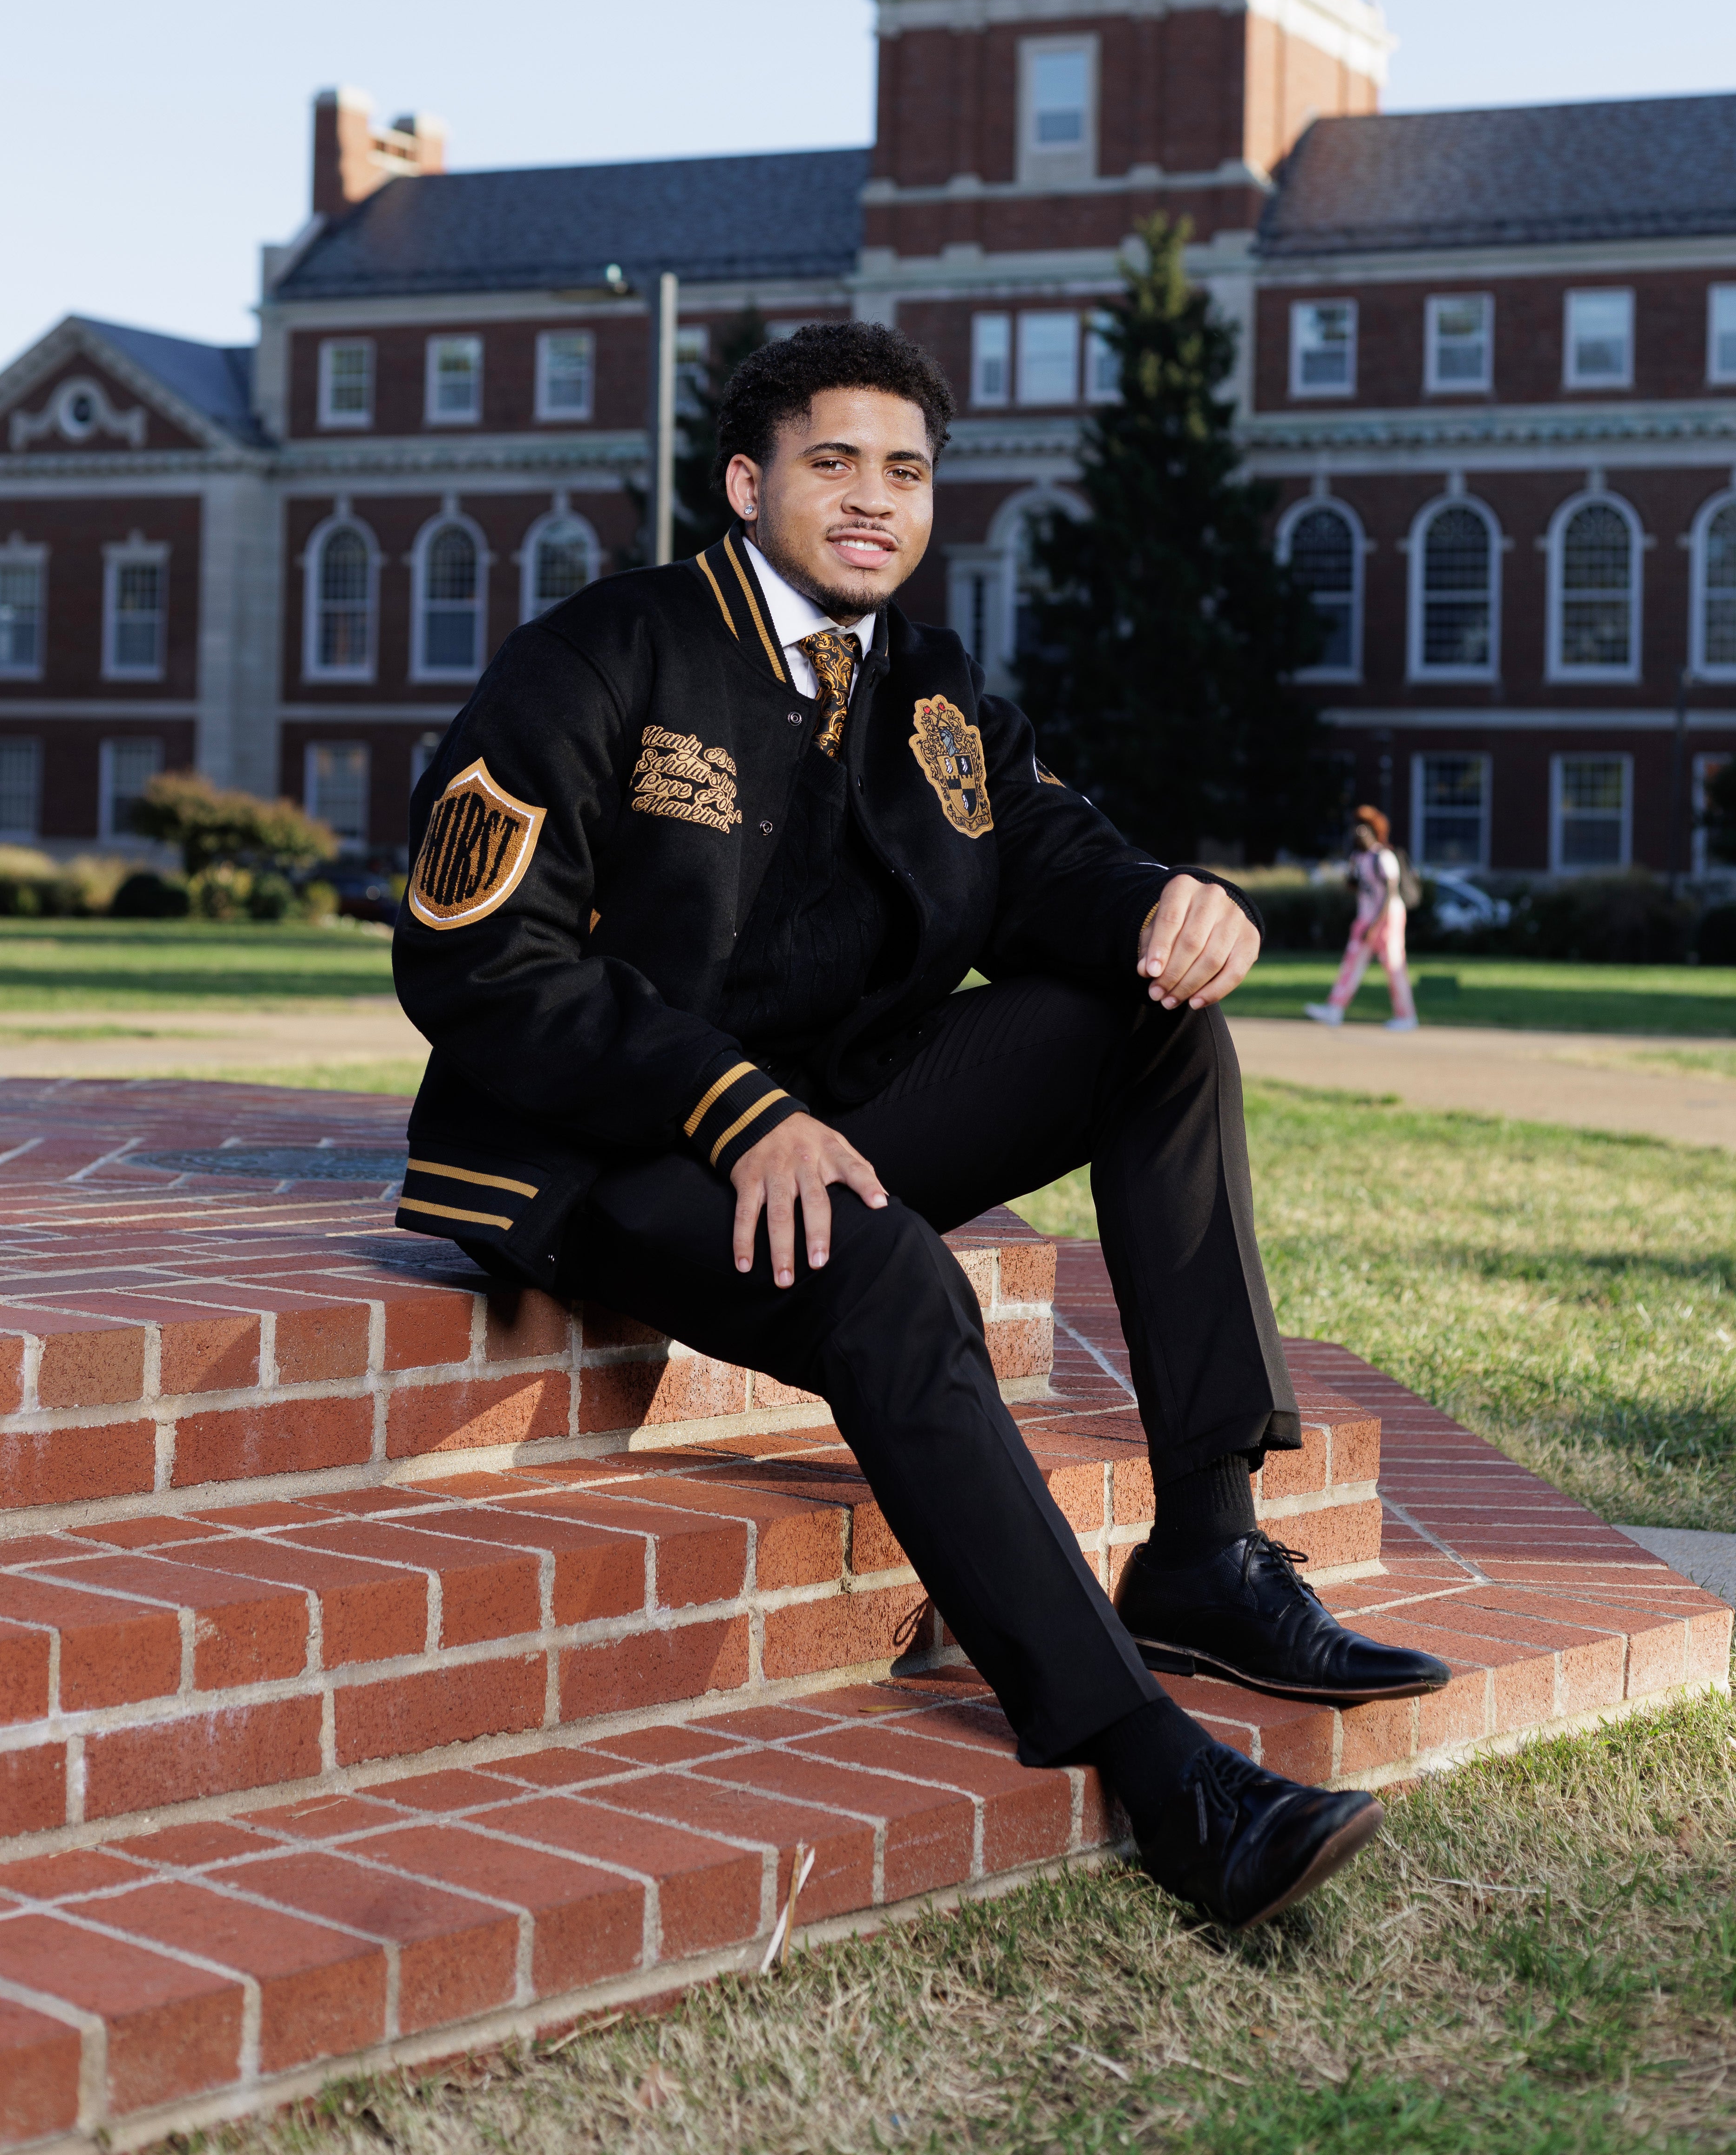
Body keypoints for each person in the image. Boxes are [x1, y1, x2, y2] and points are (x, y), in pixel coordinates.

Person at [392, 323, 1447, 1934]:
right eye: (833, 464)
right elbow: (473, 959)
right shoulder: (605, 653)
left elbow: (1049, 863)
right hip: (616, 1150)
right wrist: (735, 1111)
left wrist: (1175, 902)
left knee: (1156, 1024)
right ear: (748, 484)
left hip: (833, 1118)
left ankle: (1211, 1555)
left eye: (908, 470)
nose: (876, 500)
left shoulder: (932, 689)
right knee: (887, 1276)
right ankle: (1156, 1764)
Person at [1305, 808, 1419, 1032]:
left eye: (1363, 830)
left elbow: (1390, 893)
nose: (1358, 834)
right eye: (1356, 830)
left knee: (1394, 966)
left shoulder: (1384, 856)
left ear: (1374, 832)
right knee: (1351, 963)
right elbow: (1355, 887)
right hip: (1365, 918)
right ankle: (1335, 1009)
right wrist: (1352, 870)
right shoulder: (1360, 858)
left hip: (1387, 918)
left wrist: (1375, 925)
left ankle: (1406, 1016)